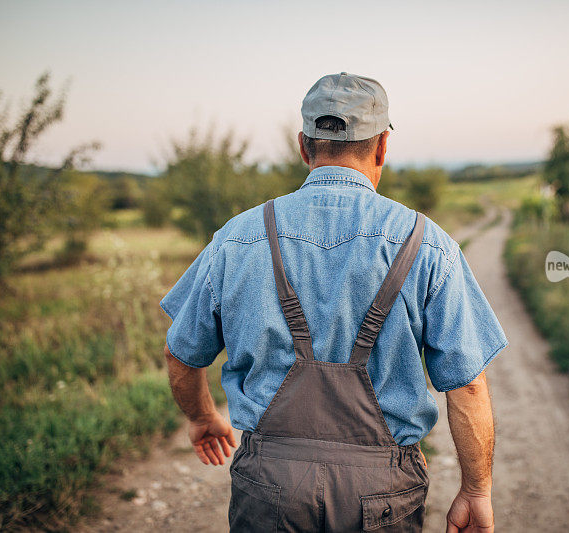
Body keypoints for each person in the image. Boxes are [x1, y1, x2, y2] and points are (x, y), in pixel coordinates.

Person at [160, 72, 508, 532]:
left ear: (303, 147)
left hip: (269, 485)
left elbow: (181, 353)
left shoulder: (237, 238)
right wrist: (475, 491)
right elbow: (466, 386)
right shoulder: (428, 245)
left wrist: (203, 417)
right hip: (384, 490)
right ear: (382, 146)